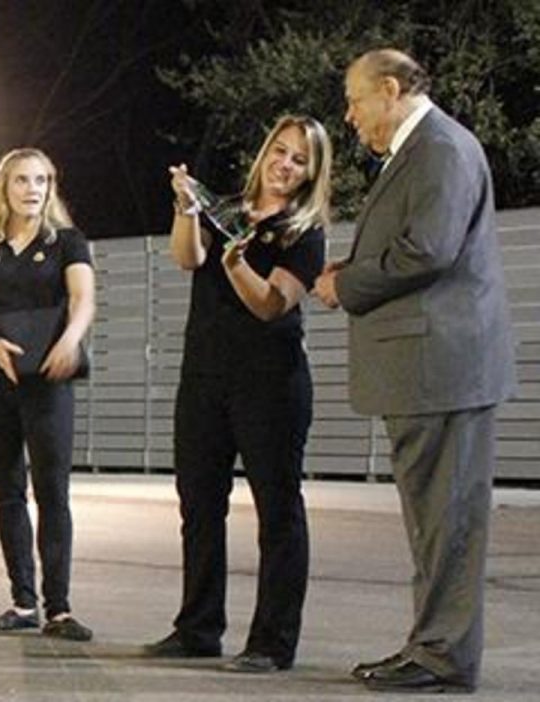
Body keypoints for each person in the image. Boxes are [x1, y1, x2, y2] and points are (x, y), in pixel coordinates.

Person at [313, 49, 516, 693]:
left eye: (355, 100)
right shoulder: (424, 150)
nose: (349, 116)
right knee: (435, 520)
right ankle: (431, 644)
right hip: (429, 368)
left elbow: (427, 249)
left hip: (443, 367)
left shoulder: (439, 149)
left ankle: (444, 655)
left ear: (391, 89)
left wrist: (345, 286)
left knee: (448, 519)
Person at [145, 115, 332, 673]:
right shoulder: (225, 210)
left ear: (312, 173)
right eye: (280, 150)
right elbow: (186, 258)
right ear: (264, 151)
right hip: (204, 376)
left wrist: (236, 263)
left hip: (270, 383)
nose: (285, 164)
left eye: (300, 159)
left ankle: (272, 642)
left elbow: (271, 304)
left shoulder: (305, 232)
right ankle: (197, 628)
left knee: (278, 511)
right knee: (199, 506)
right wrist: (185, 208)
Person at [0, 147, 95, 641]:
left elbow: (82, 298)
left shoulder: (68, 242)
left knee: (52, 491)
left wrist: (69, 341)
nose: (32, 188)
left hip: (47, 378)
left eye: (41, 180)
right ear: (4, 187)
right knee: (8, 491)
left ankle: (59, 607)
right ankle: (23, 602)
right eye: (21, 180)